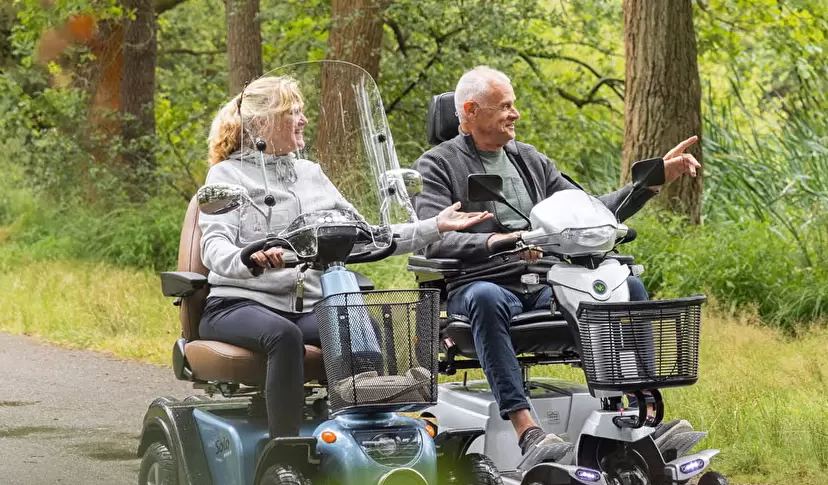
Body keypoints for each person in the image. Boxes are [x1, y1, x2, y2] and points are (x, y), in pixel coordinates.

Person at [412, 66, 701, 456]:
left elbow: (590, 211)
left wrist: (649, 182)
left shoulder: (529, 159)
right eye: (505, 106)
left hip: (547, 281)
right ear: (471, 110)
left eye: (514, 105)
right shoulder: (438, 164)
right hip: (484, 282)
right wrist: (498, 241)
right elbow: (433, 240)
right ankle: (527, 430)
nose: (515, 114)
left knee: (626, 285)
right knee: (485, 297)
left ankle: (640, 412)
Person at [199, 75, 491, 438]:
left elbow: (369, 236)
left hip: (305, 305)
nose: (304, 120)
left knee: (365, 327)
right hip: (237, 304)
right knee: (284, 336)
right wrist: (250, 257)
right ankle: (286, 447)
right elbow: (213, 248)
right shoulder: (226, 174)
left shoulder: (311, 174)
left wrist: (437, 225)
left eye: (302, 111)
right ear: (262, 123)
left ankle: (370, 436)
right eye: (293, 112)